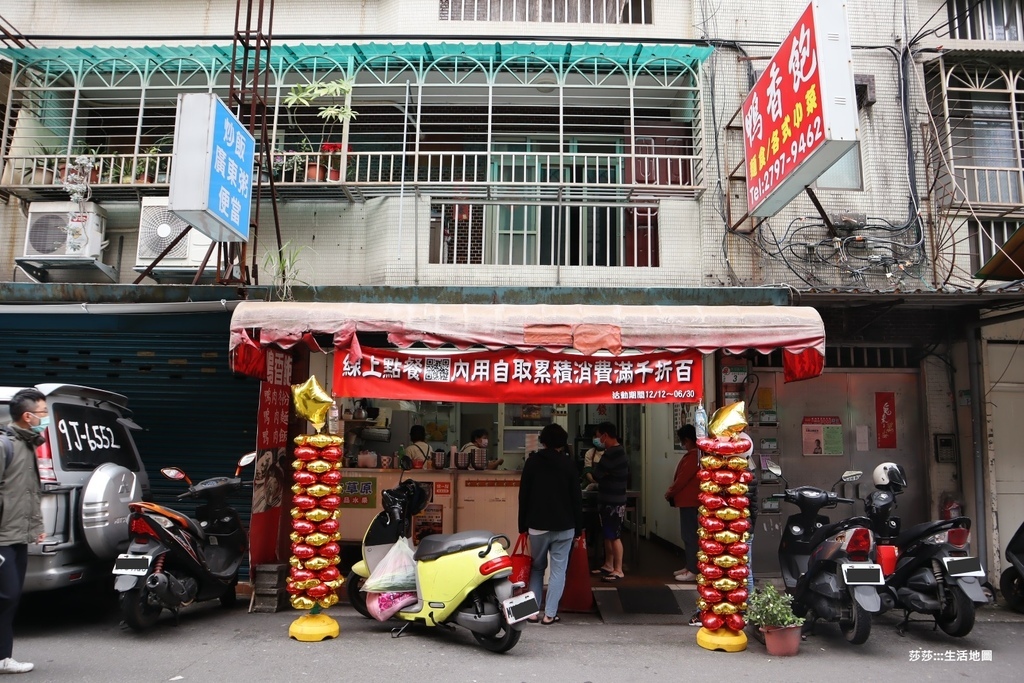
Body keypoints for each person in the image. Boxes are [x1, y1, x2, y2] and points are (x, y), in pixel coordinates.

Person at [0, 389, 47, 674]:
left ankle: (3, 657)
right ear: (28, 417)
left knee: (11, 596)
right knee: (6, 596)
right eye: (43, 413)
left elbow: (30, 493)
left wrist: (36, 527)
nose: (46, 419)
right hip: (2, 536)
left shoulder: (29, 444)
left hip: (17, 534)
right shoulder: (5, 446)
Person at [517, 423, 583, 625]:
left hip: (537, 526)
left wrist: (522, 526)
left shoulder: (532, 462)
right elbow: (576, 498)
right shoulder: (569, 464)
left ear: (542, 441)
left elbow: (524, 496)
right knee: (558, 570)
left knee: (537, 568)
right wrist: (578, 528)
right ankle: (550, 614)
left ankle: (531, 612)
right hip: (564, 526)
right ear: (562, 444)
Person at [590, 421, 629, 582]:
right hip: (611, 499)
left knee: (614, 535)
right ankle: (608, 564)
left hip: (613, 501)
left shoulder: (612, 453)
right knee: (608, 534)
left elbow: (597, 474)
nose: (598, 440)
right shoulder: (619, 451)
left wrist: (602, 473)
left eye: (599, 437)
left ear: (605, 436)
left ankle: (618, 569)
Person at [666, 425, 700, 583]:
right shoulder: (694, 455)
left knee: (690, 536)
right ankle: (690, 565)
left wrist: (670, 492)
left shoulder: (694, 456)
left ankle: (693, 569)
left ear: (688, 440)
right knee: (688, 535)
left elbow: (682, 479)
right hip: (689, 502)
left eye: (683, 441)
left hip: (690, 502)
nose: (683, 444)